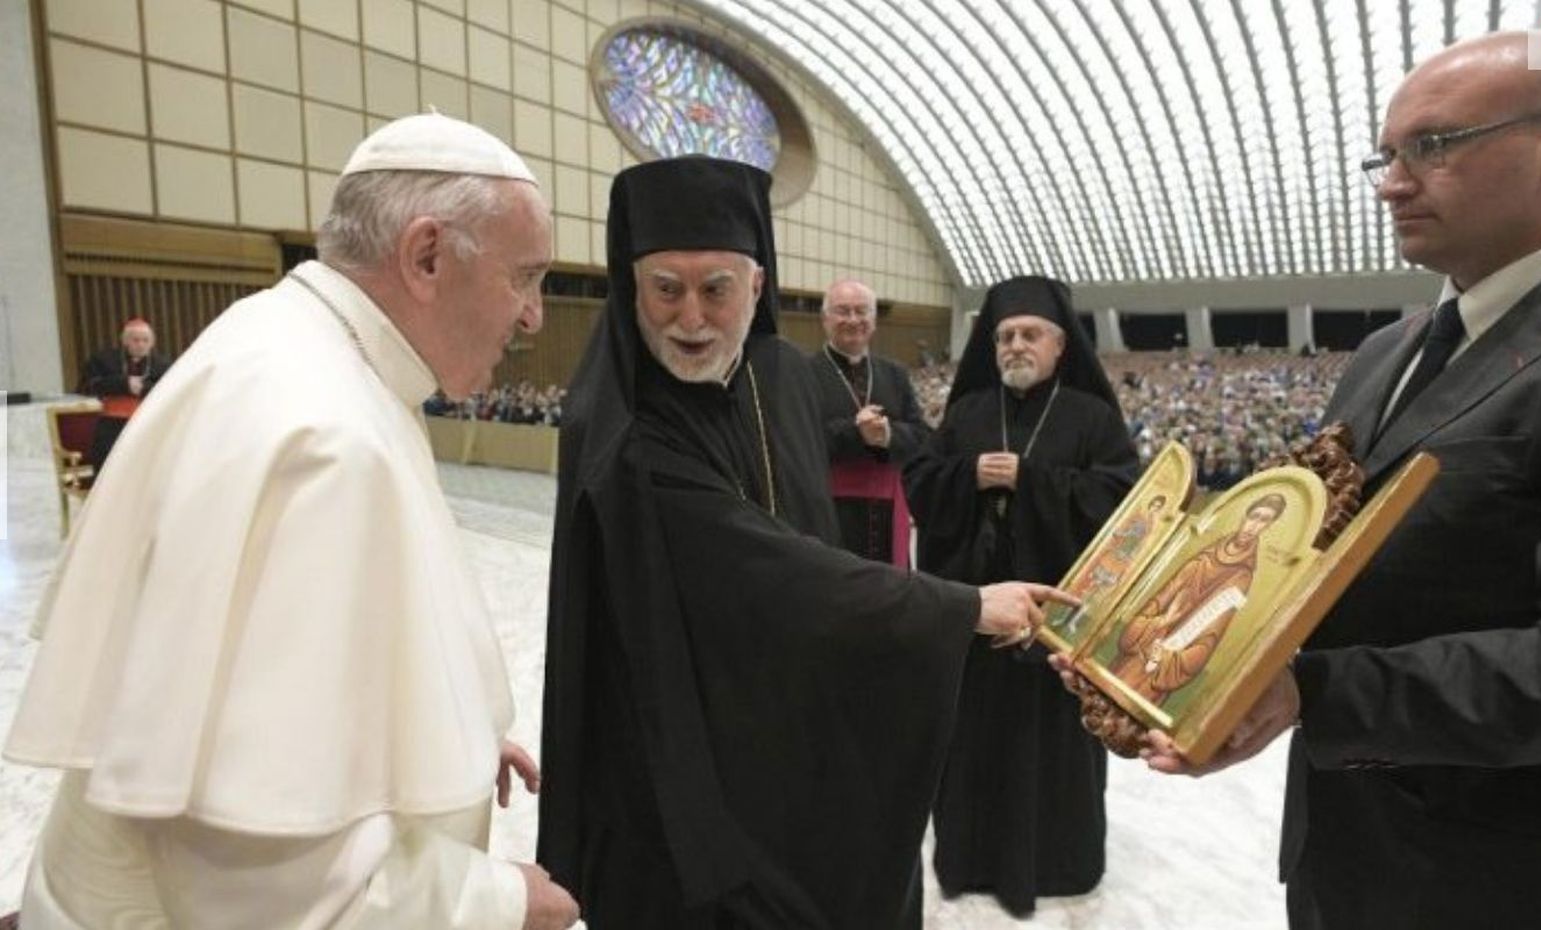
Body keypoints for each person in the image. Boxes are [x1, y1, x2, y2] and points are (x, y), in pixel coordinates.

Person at [4, 113, 579, 930]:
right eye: (526, 276)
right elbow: (262, 883)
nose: (533, 317)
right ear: (425, 256)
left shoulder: (294, 347)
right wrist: (502, 900)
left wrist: (444, 738)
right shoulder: (322, 437)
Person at [1131, 31, 1541, 929]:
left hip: (1514, 875)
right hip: (1345, 846)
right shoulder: (1387, 352)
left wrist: (1316, 690)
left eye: (1433, 145)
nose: (1391, 181)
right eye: (1384, 155)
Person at [536, 156, 1067, 930]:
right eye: (666, 288)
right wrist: (960, 608)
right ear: (632, 287)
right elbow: (764, 569)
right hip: (672, 768)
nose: (691, 318)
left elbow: (811, 540)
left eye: (715, 288)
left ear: (756, 286)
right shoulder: (622, 429)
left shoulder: (777, 378)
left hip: (784, 730)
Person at [904, 275, 1138, 917]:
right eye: (1004, 335)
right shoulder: (968, 411)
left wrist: (1032, 481)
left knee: (1053, 747)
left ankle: (1059, 861)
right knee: (974, 739)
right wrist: (968, 474)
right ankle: (970, 858)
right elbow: (919, 480)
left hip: (1060, 620)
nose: (1014, 345)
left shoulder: (1092, 417)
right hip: (977, 615)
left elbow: (1124, 501)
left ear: (1061, 345)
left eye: (1029, 333)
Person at [1107, 493, 1284, 707]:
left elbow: (1210, 637)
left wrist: (1166, 657)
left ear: (1270, 527)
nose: (1254, 526)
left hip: (1164, 661)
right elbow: (1159, 599)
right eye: (1254, 516)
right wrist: (1153, 624)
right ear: (1244, 516)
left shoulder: (1242, 577)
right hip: (1144, 643)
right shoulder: (1204, 556)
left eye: (1265, 520)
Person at [809, 278, 929, 565]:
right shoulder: (804, 371)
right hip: (829, 508)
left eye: (862, 311)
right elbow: (799, 438)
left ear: (874, 321)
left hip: (888, 507)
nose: (853, 319)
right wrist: (856, 432)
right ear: (825, 319)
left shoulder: (895, 372)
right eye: (843, 311)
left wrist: (887, 436)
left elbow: (922, 435)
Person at [78, 317, 171, 471]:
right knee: (110, 467)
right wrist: (124, 384)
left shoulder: (162, 364)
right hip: (112, 424)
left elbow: (168, 389)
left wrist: (142, 388)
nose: (141, 344)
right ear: (126, 341)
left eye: (145, 340)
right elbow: (88, 386)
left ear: (152, 343)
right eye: (136, 340)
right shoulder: (103, 360)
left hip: (147, 422)